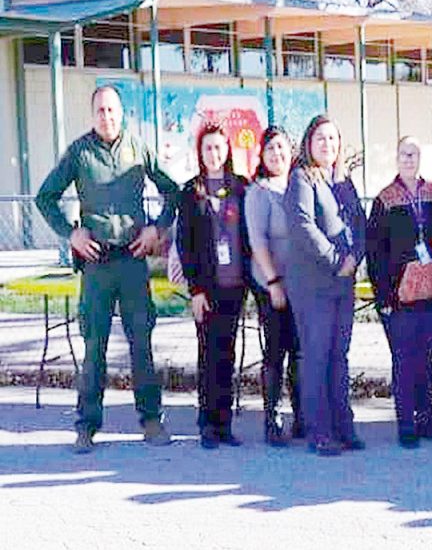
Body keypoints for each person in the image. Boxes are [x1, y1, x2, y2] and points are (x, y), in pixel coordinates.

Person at [36, 85, 179, 454]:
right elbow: (45, 197)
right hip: (97, 264)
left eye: (112, 110)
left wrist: (157, 229)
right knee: (94, 346)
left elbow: (172, 191)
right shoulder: (79, 152)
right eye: (100, 110)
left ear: (122, 113)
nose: (107, 117)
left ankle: (151, 419)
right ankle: (86, 425)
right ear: (92, 114)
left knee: (141, 343)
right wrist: (71, 233)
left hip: (132, 260)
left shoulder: (138, 148)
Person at [284, 115, 366, 456]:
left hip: (343, 283)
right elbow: (303, 226)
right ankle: (319, 431)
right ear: (309, 143)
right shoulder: (301, 178)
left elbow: (359, 223)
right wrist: (336, 259)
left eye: (333, 139)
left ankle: (343, 426)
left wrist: (355, 257)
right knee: (316, 356)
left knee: (339, 356)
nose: (327, 145)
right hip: (314, 284)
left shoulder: (343, 181)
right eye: (321, 138)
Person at [367, 136, 432, 448]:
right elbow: (374, 252)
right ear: (396, 158)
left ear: (420, 158)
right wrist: (383, 297)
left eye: (414, 154)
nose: (409, 159)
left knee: (427, 359)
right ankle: (406, 424)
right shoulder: (385, 200)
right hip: (399, 295)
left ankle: (426, 420)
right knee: (404, 360)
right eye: (404, 154)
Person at [177, 123, 251, 449]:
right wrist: (195, 290)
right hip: (206, 290)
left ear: (227, 150)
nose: (214, 153)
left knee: (228, 354)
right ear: (200, 152)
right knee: (208, 355)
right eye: (207, 148)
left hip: (234, 286)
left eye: (219, 147)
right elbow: (185, 244)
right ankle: (207, 424)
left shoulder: (241, 187)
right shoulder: (191, 192)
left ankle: (224, 424)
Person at [246, 126, 304, 446]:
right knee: (276, 349)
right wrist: (273, 282)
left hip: (300, 283)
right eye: (270, 149)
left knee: (299, 349)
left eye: (281, 147)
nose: (276, 154)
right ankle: (272, 418)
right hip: (270, 283)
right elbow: (257, 241)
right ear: (262, 155)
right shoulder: (259, 192)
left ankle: (301, 416)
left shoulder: (299, 185)